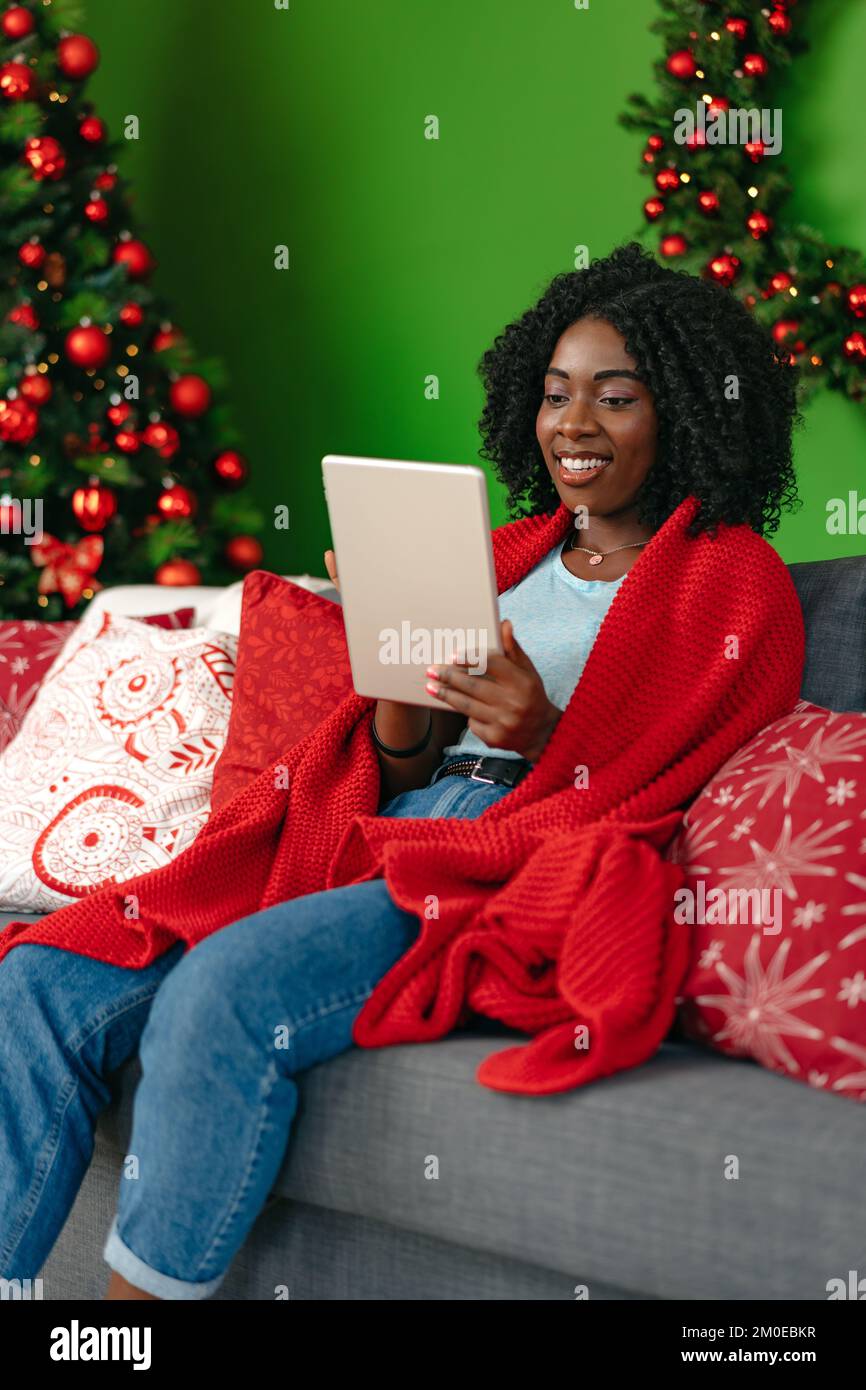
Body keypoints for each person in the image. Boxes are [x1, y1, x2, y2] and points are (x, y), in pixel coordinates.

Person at [0, 243, 800, 1299]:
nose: (572, 424)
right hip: (379, 824)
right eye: (554, 394)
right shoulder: (509, 549)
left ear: (690, 410)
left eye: (615, 397)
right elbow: (396, 759)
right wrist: (394, 687)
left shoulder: (730, 580)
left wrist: (540, 731)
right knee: (38, 982)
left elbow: (661, 773)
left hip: (496, 854)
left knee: (220, 994)